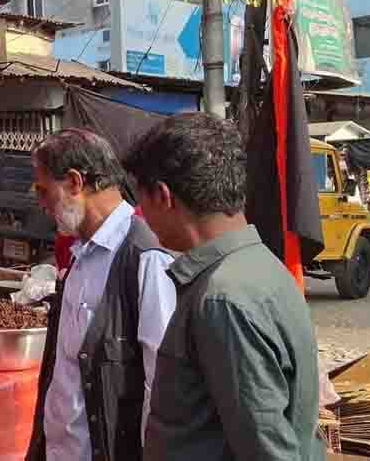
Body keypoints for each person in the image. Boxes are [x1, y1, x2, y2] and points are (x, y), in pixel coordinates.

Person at [123, 113, 325, 461]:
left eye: (141, 203)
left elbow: (268, 451)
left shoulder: (222, 299)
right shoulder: (259, 267)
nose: (142, 217)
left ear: (163, 195)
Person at [26, 128, 177, 461]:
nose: (41, 204)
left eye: (43, 190)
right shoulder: (79, 255)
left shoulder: (145, 257)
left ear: (74, 182)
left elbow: (163, 387)